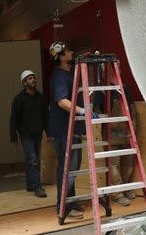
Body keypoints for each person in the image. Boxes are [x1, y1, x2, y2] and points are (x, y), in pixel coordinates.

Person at [47, 41, 86, 220]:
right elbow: (62, 102)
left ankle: (70, 200)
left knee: (73, 167)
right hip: (63, 131)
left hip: (72, 130)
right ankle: (63, 207)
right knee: (67, 168)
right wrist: (81, 110)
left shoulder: (68, 75)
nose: (72, 53)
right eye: (69, 51)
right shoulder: (59, 76)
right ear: (61, 57)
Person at [94, 66, 137, 207]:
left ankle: (125, 188)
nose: (118, 69)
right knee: (114, 165)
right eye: (115, 67)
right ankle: (117, 193)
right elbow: (97, 111)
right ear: (108, 70)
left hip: (126, 132)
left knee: (128, 164)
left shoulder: (125, 88)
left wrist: (133, 126)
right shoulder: (102, 90)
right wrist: (109, 123)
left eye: (119, 67)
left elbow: (132, 109)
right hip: (111, 134)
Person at [9, 70, 47, 198]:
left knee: (33, 159)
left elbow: (45, 117)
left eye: (33, 78)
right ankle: (37, 187)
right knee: (32, 159)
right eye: (29, 79)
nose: (33, 80)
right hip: (25, 135)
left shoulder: (41, 98)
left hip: (37, 133)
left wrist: (49, 132)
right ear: (24, 83)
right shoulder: (19, 99)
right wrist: (13, 135)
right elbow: (14, 118)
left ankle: (30, 184)